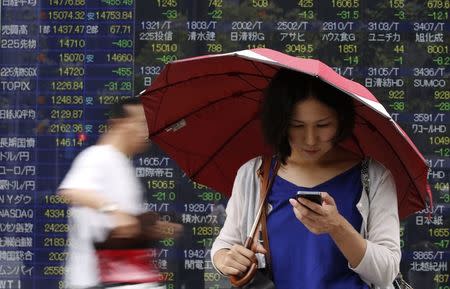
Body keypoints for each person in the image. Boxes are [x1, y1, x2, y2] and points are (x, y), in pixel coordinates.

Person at [211, 69, 401, 289]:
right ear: (280, 122)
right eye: (297, 125)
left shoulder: (373, 177)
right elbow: (225, 245)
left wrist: (338, 227)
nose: (310, 139)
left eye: (323, 125)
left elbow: (387, 271)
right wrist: (226, 259)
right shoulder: (255, 174)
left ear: (341, 121)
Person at [58, 97, 181, 289]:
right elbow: (73, 191)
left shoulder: (121, 163)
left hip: (126, 277)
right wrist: (114, 211)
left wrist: (151, 227)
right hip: (98, 280)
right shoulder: (97, 156)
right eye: (140, 123)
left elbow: (123, 227)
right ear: (119, 124)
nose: (146, 132)